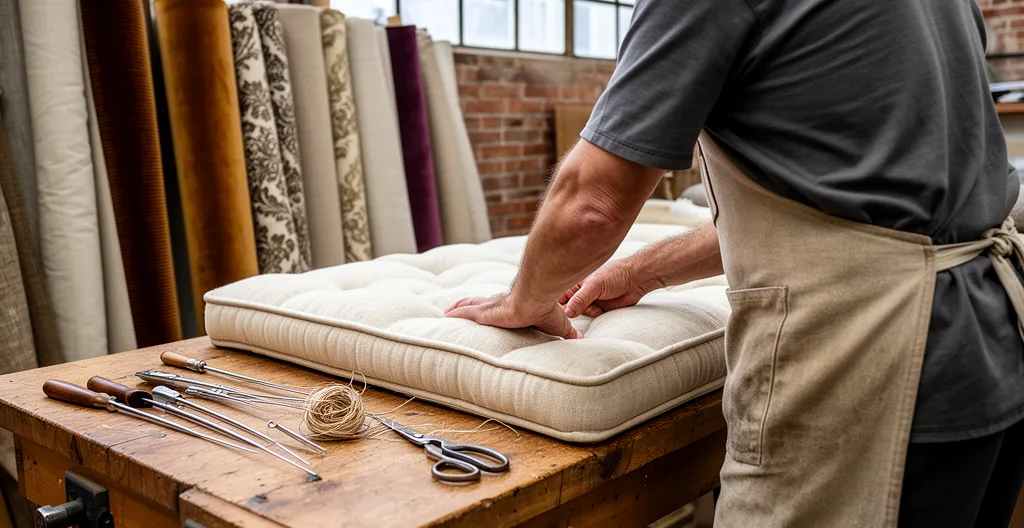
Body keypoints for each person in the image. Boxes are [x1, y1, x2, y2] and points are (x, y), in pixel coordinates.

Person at [446, 0, 1024, 526]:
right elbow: (847, 219)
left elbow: (591, 206)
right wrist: (646, 269)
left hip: (877, 364)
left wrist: (524, 300)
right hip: (994, 345)